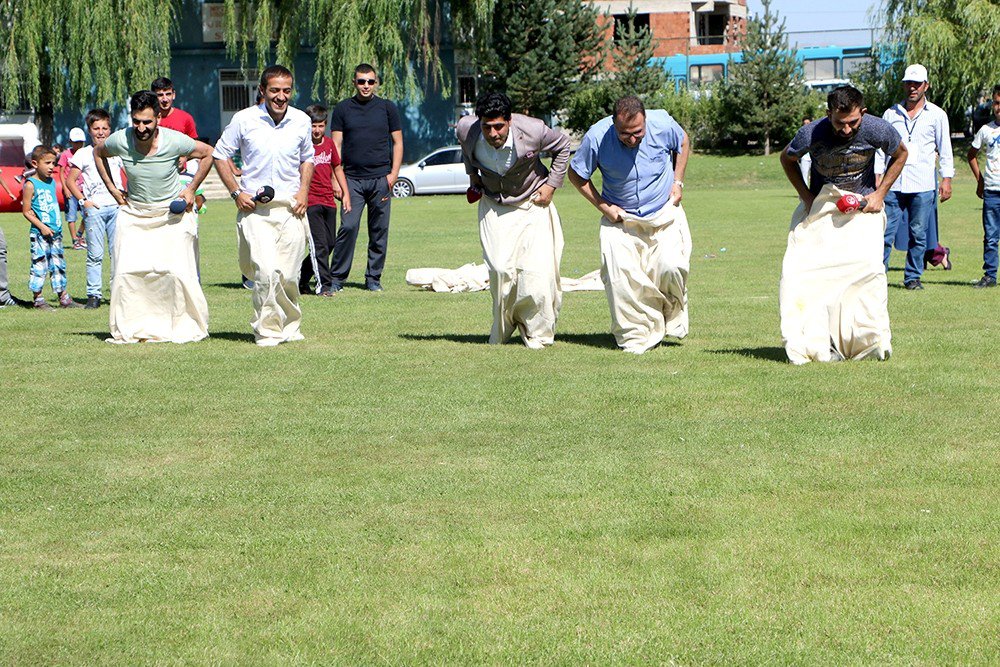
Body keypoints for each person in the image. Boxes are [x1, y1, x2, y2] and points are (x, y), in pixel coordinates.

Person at [779, 85, 908, 364]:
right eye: (840, 123)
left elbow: (901, 154)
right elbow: (787, 158)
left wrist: (880, 194)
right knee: (805, 274)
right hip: (823, 207)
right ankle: (816, 342)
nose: (847, 130)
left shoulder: (876, 129)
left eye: (853, 123)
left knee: (867, 274)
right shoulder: (811, 133)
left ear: (863, 112)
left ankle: (868, 340)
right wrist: (806, 196)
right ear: (828, 114)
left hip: (861, 207)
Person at [568, 95, 691, 354]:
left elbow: (682, 140)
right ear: (614, 125)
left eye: (638, 133)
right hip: (620, 220)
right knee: (622, 280)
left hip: (662, 214)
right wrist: (603, 206)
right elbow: (576, 174)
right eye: (625, 134)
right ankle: (635, 337)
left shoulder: (662, 123)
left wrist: (677, 182)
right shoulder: (597, 137)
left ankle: (669, 316)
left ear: (645, 121)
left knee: (671, 268)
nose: (633, 139)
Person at [95, 89, 214, 344]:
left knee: (177, 272)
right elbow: (98, 153)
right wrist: (113, 189)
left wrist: (191, 189)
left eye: (147, 122)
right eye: (136, 121)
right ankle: (135, 327)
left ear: (158, 118)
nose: (141, 128)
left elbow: (207, 153)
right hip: (135, 213)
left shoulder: (175, 140)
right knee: (127, 272)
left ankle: (182, 324)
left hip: (170, 215)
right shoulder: (120, 139)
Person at [456, 91, 571, 349]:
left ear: (509, 121)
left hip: (532, 202)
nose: (493, 133)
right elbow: (466, 152)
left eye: (499, 126)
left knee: (537, 274)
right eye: (487, 127)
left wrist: (551, 185)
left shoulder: (534, 130)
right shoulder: (466, 129)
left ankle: (538, 332)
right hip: (493, 204)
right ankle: (505, 327)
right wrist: (472, 177)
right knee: (499, 269)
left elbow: (563, 146)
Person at [212, 65, 315, 346]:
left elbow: (308, 158)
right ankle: (267, 330)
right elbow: (220, 155)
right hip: (255, 209)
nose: (281, 97)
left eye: (286, 91)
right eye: (274, 91)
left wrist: (304, 192)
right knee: (267, 272)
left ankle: (290, 326)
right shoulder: (244, 120)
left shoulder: (301, 120)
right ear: (262, 90)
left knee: (290, 275)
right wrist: (235, 192)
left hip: (291, 208)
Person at [876, 64, 955, 290]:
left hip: (923, 184)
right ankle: (878, 275)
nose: (912, 88)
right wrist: (878, 174)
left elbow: (945, 148)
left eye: (917, 84)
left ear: (925, 86)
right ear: (904, 85)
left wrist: (946, 179)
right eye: (909, 83)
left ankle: (912, 277)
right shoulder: (890, 114)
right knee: (885, 232)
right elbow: (881, 148)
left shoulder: (938, 115)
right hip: (893, 183)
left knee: (918, 234)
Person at [329, 63, 403, 292]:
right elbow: (336, 146)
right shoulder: (343, 109)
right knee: (348, 227)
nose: (366, 85)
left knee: (379, 231)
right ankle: (337, 279)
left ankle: (373, 278)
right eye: (361, 81)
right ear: (354, 83)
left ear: (376, 83)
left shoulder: (387, 108)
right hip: (351, 180)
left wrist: (393, 175)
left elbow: (398, 142)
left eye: (370, 81)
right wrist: (335, 180)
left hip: (381, 179)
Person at [66, 109, 124, 309]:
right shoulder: (83, 154)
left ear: (110, 129)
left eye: (105, 128)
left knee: (117, 252)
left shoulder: (117, 151)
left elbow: (129, 172)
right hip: (95, 209)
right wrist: (84, 201)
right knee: (94, 254)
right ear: (89, 130)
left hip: (116, 207)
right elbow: (70, 181)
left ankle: (118, 291)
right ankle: (93, 294)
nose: (101, 132)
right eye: (96, 128)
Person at [21, 145, 82, 310]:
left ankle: (64, 298)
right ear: (35, 163)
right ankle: (38, 300)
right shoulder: (30, 185)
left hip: (56, 233)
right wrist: (41, 227)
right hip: (40, 234)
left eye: (53, 163)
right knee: (39, 265)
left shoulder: (50, 182)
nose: (51, 167)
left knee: (58, 265)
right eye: (47, 163)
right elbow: (26, 211)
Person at [298, 103, 346, 296]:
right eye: (313, 126)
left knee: (330, 244)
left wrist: (346, 193)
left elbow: (337, 167)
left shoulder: (329, 144)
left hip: (329, 201)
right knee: (319, 245)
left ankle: (300, 277)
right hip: (311, 202)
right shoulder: (301, 145)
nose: (316, 130)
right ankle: (324, 286)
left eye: (320, 126)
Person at [966, 84, 1000, 289]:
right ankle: (990, 275)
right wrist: (980, 180)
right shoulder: (986, 130)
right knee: (991, 236)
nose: (999, 107)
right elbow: (971, 155)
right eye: (997, 103)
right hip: (992, 191)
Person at [59, 127, 87, 249]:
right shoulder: (66, 154)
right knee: (71, 216)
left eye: (80, 142)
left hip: (84, 189)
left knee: (88, 213)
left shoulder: (86, 153)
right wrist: (65, 188)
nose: (78, 144)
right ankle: (74, 240)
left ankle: (80, 235)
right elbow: (61, 172)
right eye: (76, 142)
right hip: (71, 190)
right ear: (70, 141)